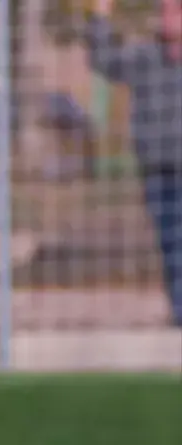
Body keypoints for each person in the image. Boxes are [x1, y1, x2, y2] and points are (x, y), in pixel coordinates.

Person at [88, 0, 182, 326]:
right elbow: (103, 60)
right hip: (158, 167)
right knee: (171, 243)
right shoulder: (144, 58)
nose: (168, 17)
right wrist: (100, 16)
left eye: (176, 10)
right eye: (165, 10)